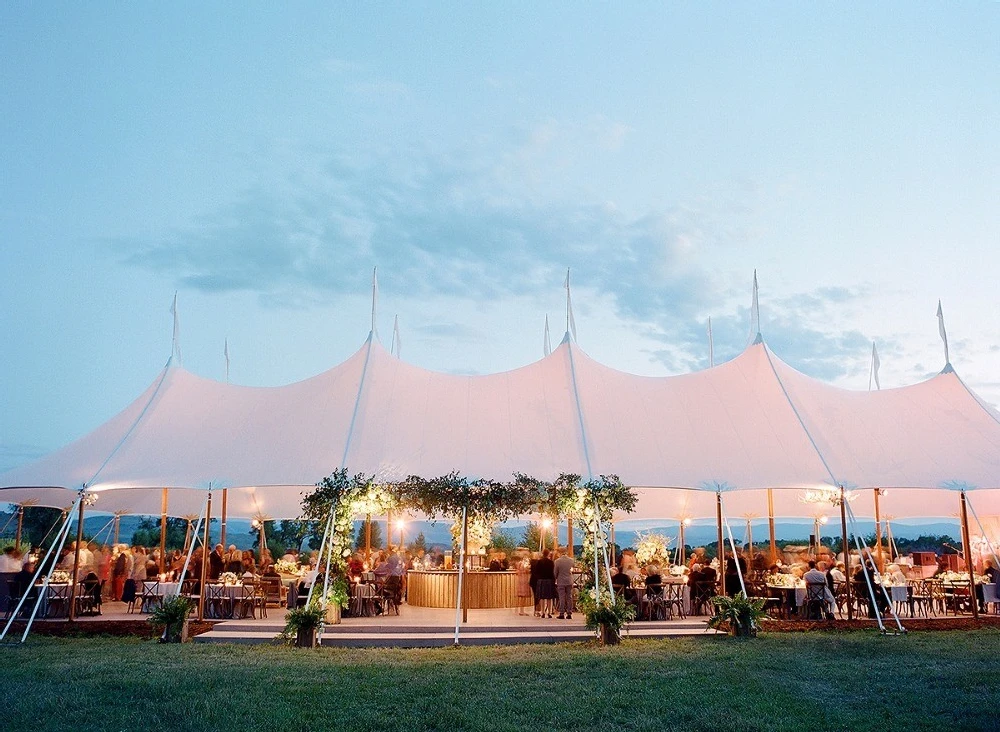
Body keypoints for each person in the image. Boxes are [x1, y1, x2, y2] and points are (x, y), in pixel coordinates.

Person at [534, 549, 557, 618]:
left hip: (541, 580)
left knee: (542, 597)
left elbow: (536, 572)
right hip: (549, 580)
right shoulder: (551, 562)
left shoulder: (539, 562)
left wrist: (539, 578)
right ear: (548, 554)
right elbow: (553, 572)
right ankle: (549, 612)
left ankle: (543, 612)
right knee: (549, 597)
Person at [553, 549, 575, 619]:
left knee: (561, 597)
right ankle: (569, 613)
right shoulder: (571, 560)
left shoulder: (557, 561)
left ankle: (561, 613)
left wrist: (555, 579)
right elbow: (572, 569)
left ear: (560, 553)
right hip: (569, 580)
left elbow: (555, 572)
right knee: (569, 597)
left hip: (561, 581)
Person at [514, 551, 532, 615]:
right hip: (524, 580)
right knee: (523, 596)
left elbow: (517, 571)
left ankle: (520, 610)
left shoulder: (519, 563)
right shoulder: (525, 563)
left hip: (520, 579)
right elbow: (527, 570)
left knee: (521, 596)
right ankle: (522, 610)